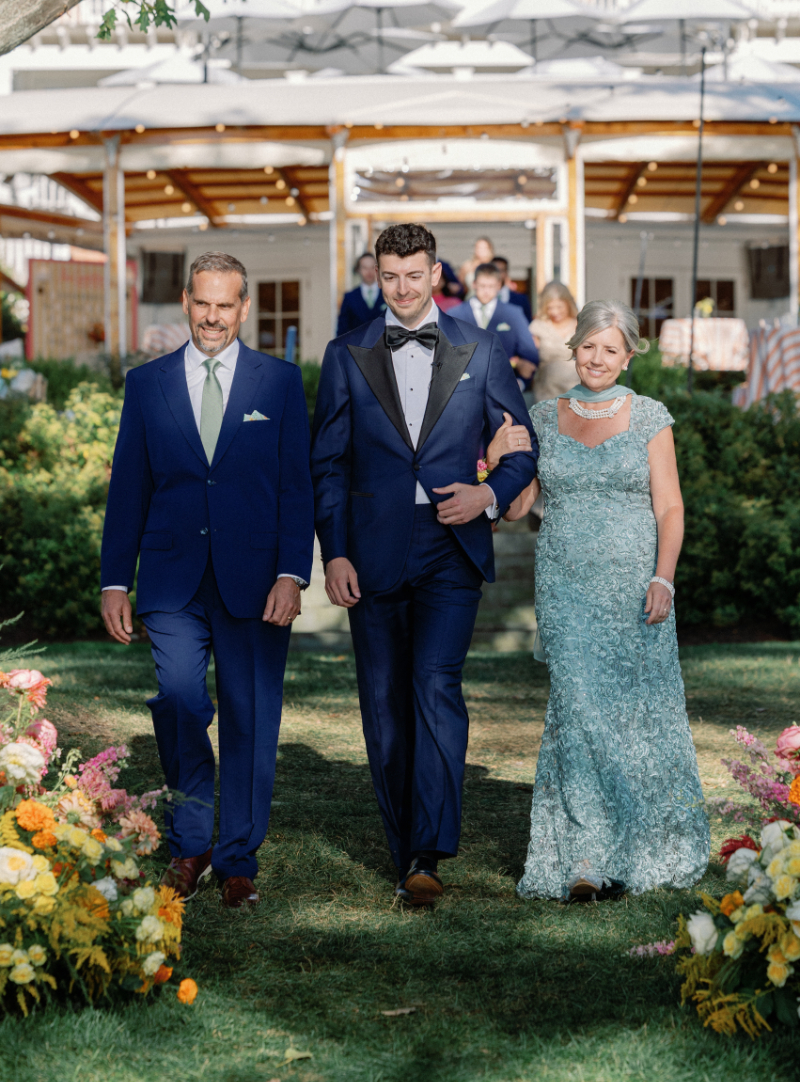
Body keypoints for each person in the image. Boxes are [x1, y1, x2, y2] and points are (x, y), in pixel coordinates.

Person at [311, 223, 537, 908]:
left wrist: (489, 494)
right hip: (372, 547)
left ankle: (427, 853)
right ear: (377, 276)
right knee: (383, 702)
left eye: (414, 275)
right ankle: (402, 838)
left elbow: (524, 449)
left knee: (435, 687)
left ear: (437, 272)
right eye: (390, 277)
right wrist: (336, 551)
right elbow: (326, 463)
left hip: (451, 545)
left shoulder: (485, 349)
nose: (403, 289)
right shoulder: (345, 352)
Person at [100, 252, 314, 908]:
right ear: (187, 304)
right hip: (171, 577)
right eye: (202, 303)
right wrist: (115, 579)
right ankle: (190, 843)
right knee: (183, 700)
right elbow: (129, 486)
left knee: (251, 716)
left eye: (226, 304)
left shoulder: (278, 383)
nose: (213, 316)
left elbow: (295, 484)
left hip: (256, 579)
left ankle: (238, 856)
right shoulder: (147, 383)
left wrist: (291, 573)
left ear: (243, 308)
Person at [487, 299, 709, 902]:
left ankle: (640, 845)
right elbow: (517, 508)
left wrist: (663, 577)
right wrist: (500, 460)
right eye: (589, 346)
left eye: (611, 349)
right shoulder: (542, 415)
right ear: (574, 347)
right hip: (566, 588)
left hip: (637, 588)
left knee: (637, 720)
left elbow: (670, 507)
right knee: (577, 713)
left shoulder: (649, 416)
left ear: (629, 355)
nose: (598, 358)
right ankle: (583, 855)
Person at [447, 262, 539, 383]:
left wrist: (520, 384)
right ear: (474, 284)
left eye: (491, 286)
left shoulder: (513, 314)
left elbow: (530, 355)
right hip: (464, 388)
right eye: (482, 286)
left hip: (502, 388)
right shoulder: (455, 314)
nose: (486, 291)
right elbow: (445, 354)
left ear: (499, 285)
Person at [529, 281, 579, 402]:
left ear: (568, 303)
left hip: (578, 393)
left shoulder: (580, 325)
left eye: (559, 307)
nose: (555, 312)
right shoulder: (537, 327)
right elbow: (529, 357)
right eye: (550, 308)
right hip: (547, 394)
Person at [336, 253, 386, 337]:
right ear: (358, 270)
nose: (369, 272)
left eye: (372, 267)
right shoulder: (350, 297)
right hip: (356, 347)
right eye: (365, 268)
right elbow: (342, 330)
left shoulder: (387, 294)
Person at [492, 255, 532, 322]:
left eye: (501, 270)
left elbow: (527, 323)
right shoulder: (481, 300)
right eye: (495, 270)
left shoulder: (521, 300)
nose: (498, 274)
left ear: (506, 273)